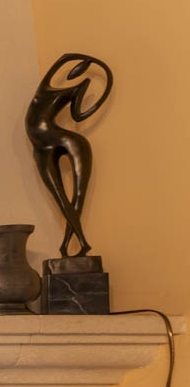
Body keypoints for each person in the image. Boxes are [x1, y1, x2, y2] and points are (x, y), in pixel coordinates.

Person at [24, 53, 113, 258]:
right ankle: (75, 244)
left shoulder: (79, 87)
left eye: (78, 68)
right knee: (59, 196)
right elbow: (64, 59)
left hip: (63, 139)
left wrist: (90, 91)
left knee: (78, 195)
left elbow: (78, 115)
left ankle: (73, 245)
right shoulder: (45, 85)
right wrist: (90, 62)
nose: (74, 71)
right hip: (40, 146)